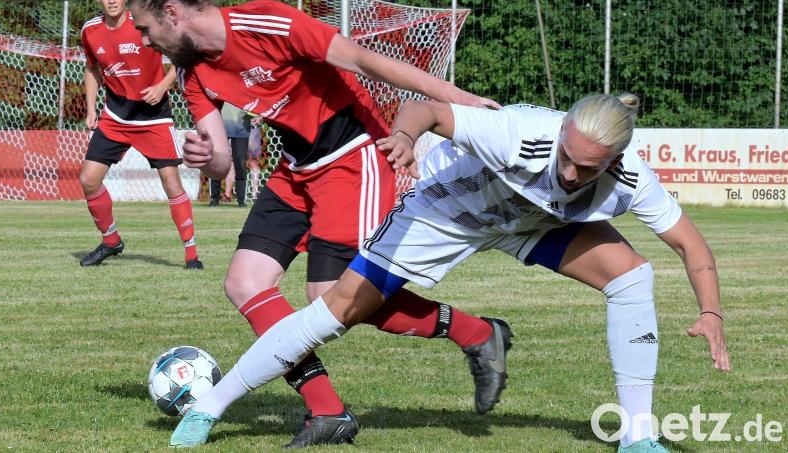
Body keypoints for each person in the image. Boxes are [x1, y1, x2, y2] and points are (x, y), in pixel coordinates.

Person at [168, 94, 732, 452]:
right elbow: (427, 109)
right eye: (565, 155)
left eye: (585, 168)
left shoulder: (632, 180)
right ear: (560, 132)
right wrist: (405, 138)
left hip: (529, 224)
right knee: (336, 309)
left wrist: (710, 312)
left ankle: (637, 437)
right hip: (447, 209)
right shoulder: (518, 131)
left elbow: (691, 244)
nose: (567, 172)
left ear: (613, 161)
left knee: (631, 277)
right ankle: (210, 407)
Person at [128, 0, 507, 447]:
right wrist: (205, 158)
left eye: (146, 29)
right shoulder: (192, 72)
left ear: (172, 12)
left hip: (353, 157)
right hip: (296, 170)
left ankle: (477, 333)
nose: (144, 41)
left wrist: (457, 99)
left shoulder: (266, 21)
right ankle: (327, 410)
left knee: (330, 296)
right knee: (244, 283)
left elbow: (365, 61)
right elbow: (221, 162)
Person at [79, 0, 202, 269]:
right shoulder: (90, 30)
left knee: (171, 183)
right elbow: (92, 68)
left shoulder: (147, 23)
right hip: (116, 117)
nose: (112, 1)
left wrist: (162, 86)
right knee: (88, 180)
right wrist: (90, 108)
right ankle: (111, 241)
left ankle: (192, 255)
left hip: (154, 117)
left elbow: (182, 57)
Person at [208, 103, 251, 207]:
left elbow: (257, 100)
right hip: (220, 127)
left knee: (240, 164)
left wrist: (259, 115)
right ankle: (214, 199)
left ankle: (241, 200)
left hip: (241, 127)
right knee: (217, 162)